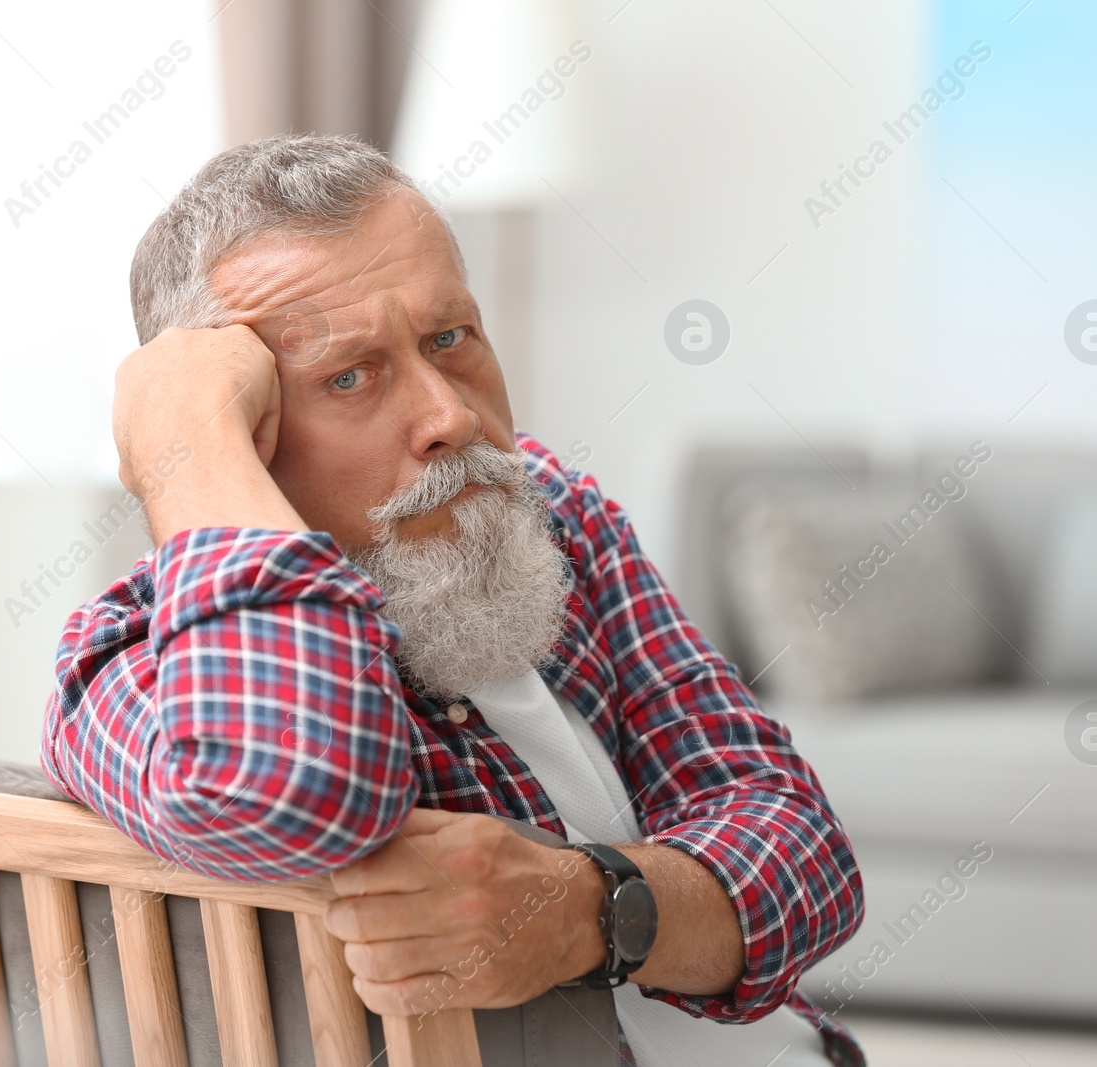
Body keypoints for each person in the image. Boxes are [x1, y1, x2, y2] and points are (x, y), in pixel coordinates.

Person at [42, 133, 864, 1066]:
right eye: (349, 376)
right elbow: (286, 794)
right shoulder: (126, 663)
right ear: (249, 427)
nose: (452, 417)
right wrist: (184, 446)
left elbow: (806, 850)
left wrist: (586, 910)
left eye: (450, 339)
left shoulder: (556, 515)